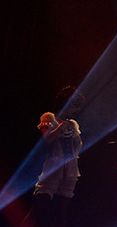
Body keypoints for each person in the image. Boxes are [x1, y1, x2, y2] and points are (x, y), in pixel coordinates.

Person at [22, 85, 84, 227]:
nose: (75, 110)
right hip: (53, 167)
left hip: (70, 169)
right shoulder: (49, 117)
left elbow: (78, 145)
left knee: (62, 211)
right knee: (40, 207)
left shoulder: (73, 124)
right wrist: (61, 126)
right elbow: (48, 139)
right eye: (74, 106)